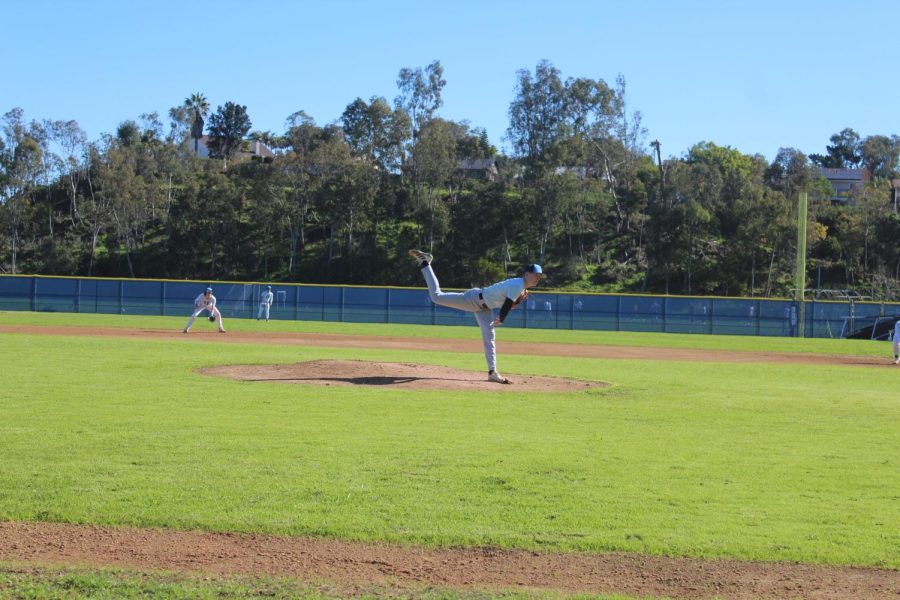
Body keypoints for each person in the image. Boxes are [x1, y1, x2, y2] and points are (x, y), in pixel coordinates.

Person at [409, 249, 543, 384]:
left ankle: (493, 372)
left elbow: (508, 304)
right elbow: (507, 305)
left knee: (490, 337)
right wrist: (501, 318)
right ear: (527, 274)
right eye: (536, 275)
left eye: (540, 276)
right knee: (436, 296)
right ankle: (425, 263)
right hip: (474, 299)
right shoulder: (518, 285)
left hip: (485, 308)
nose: (538, 278)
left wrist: (513, 305)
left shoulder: (521, 287)